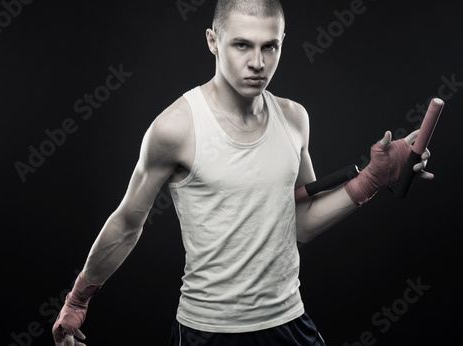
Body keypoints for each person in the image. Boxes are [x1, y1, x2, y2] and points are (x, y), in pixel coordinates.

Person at [52, 0, 433, 345]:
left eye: (270, 46)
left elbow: (301, 223)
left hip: (289, 321)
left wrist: (371, 180)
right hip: (208, 330)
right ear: (213, 41)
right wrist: (77, 298)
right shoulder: (176, 127)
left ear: (283, 41)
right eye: (241, 45)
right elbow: (127, 223)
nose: (258, 62)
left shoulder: (294, 118)